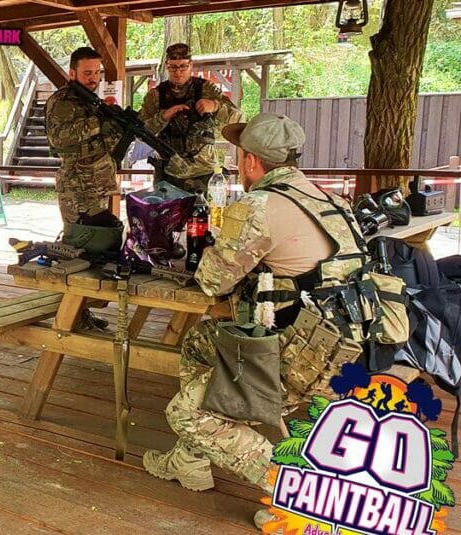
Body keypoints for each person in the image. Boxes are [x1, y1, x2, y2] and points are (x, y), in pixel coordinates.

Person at [139, 114, 366, 531]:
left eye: (240, 155)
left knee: (187, 414)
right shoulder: (326, 198)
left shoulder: (258, 205)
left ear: (250, 162)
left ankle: (298, 495)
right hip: (349, 346)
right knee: (202, 341)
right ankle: (191, 459)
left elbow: (212, 281)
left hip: (308, 359)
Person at [45, 46, 126, 332]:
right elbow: (59, 138)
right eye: (87, 72)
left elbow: (101, 142)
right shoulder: (62, 101)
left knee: (94, 251)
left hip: (96, 186)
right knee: (75, 251)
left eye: (97, 72)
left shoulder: (93, 102)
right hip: (76, 187)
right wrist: (99, 122)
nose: (93, 78)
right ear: (72, 73)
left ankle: (81, 312)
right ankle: (70, 317)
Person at [139, 43, 243, 193]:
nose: (178, 72)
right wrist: (163, 117)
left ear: (191, 65)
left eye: (183, 66)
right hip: (169, 174)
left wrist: (215, 106)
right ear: (167, 66)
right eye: (173, 67)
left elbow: (238, 119)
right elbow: (141, 132)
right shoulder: (155, 96)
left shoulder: (206, 89)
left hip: (204, 173)